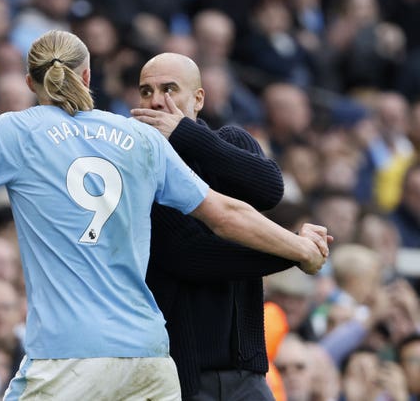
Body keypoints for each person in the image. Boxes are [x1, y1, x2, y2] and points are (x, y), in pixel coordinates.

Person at [0, 30, 330, 399]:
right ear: (89, 74)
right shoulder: (137, 139)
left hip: (69, 359)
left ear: (32, 82)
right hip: (150, 358)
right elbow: (228, 214)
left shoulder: (17, 131)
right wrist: (300, 249)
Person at [131, 51, 326, 400]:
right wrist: (295, 250)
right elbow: (192, 256)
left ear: (199, 98)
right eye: (146, 91)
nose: (157, 101)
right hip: (181, 377)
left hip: (248, 373)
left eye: (169, 89)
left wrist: (187, 135)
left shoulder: (231, 140)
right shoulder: (139, 171)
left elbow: (269, 189)